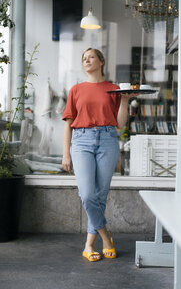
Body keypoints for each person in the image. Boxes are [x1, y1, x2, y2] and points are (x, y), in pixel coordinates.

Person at [62, 47, 136, 262]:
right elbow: (67, 125)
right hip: (81, 141)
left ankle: (88, 245)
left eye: (91, 56)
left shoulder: (114, 89)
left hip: (107, 140)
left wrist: (124, 100)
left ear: (101, 61)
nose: (86, 60)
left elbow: (120, 123)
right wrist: (65, 153)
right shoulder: (76, 90)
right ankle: (105, 237)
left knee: (100, 196)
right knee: (87, 195)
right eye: (84, 58)